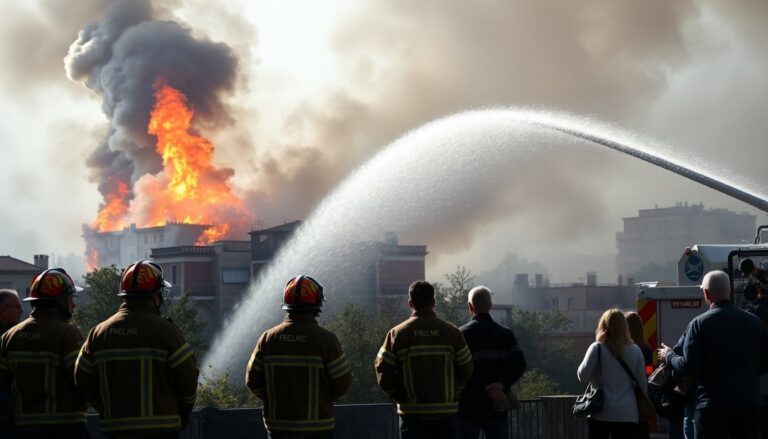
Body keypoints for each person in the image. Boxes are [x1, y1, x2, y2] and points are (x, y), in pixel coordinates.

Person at [75, 260, 199, 438]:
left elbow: (81, 378)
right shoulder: (166, 331)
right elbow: (188, 377)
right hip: (161, 430)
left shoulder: (99, 333)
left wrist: (104, 407)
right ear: (155, 296)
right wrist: (184, 410)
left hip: (115, 429)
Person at [660, 270, 768, 439]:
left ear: (706, 293)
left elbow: (689, 365)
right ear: (729, 291)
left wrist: (669, 356)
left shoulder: (699, 324)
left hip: (712, 409)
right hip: (749, 406)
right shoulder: (755, 322)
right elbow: (765, 362)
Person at [246, 275, 352, 439]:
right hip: (318, 428)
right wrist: (321, 399)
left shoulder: (267, 339)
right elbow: (343, 382)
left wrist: (274, 398)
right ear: (316, 305)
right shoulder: (326, 340)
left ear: (286, 304)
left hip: (278, 427)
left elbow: (252, 380)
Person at [374, 280, 473, 439]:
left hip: (412, 415)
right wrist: (454, 390)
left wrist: (397, 394)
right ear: (433, 302)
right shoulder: (452, 333)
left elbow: (382, 369)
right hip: (446, 415)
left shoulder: (397, 334)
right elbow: (467, 368)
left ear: (410, 303)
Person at [0, 269, 88, 438]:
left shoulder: (9, 337)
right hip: (65, 427)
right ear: (60, 302)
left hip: (22, 428)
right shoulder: (67, 334)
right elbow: (82, 379)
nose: (73, 304)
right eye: (70, 298)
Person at [458, 286, 526, 439]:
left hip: (468, 406)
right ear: (490, 306)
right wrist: (500, 385)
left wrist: (480, 386)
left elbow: (458, 369)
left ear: (470, 307)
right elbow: (520, 364)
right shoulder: (505, 334)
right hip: (497, 405)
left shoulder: (461, 334)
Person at [577, 308, 647, 439]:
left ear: (603, 326)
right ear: (624, 327)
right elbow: (642, 383)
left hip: (600, 412)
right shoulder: (635, 350)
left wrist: (597, 342)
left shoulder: (597, 348)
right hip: (627, 413)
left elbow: (582, 376)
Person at [0, 289, 22, 438]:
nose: (21, 311)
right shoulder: (8, 336)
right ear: (3, 309)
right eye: (17, 307)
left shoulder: (10, 331)